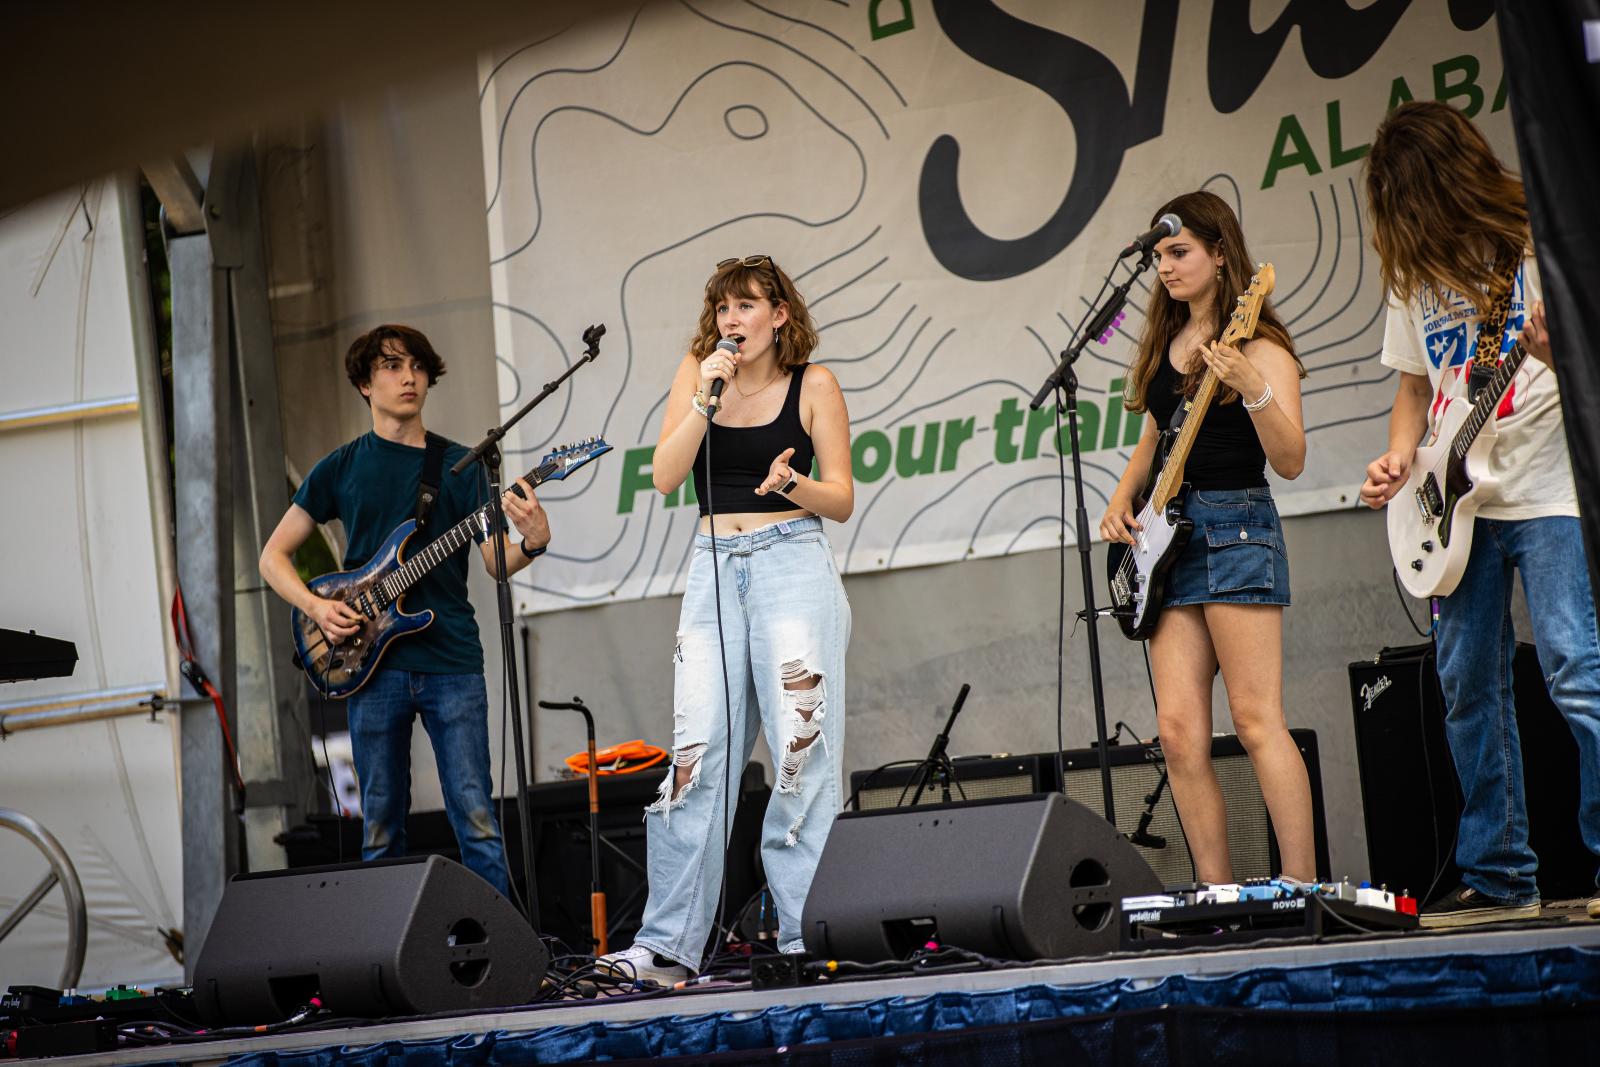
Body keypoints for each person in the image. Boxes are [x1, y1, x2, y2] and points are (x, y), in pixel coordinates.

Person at [1359, 100, 1600, 927]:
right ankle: (1499, 872)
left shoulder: (1538, 239)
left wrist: (1554, 351)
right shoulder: (1413, 272)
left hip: (1548, 485)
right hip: (1454, 504)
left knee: (1576, 668)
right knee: (1467, 686)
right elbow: (1413, 386)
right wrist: (1400, 458)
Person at [599, 255, 853, 986]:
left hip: (790, 561)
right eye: (723, 308)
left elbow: (841, 498)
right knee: (695, 758)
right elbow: (665, 475)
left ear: (780, 314)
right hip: (713, 562)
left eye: (746, 305)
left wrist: (794, 483)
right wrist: (704, 400)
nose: (732, 320)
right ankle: (668, 946)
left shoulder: (814, 384)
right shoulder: (698, 372)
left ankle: (805, 936)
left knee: (801, 752)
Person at [259, 324, 551, 898]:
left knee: (477, 820)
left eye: (417, 366)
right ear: (365, 384)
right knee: (381, 827)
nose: (408, 377)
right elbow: (273, 557)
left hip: (452, 662)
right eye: (392, 366)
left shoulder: (460, 467)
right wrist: (317, 608)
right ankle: (384, 944)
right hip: (371, 668)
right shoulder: (340, 467)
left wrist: (534, 542)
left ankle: (502, 942)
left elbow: (495, 563)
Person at [1100, 190, 1316, 884]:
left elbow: (1290, 459)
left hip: (1236, 528)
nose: (1165, 267)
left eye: (1179, 252)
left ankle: (1302, 885)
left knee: (1254, 720)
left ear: (1221, 254)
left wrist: (1253, 387)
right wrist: (1121, 500)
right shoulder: (1166, 344)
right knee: (1178, 734)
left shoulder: (1259, 343)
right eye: (1160, 256)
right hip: (1168, 542)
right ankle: (1216, 894)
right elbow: (1152, 442)